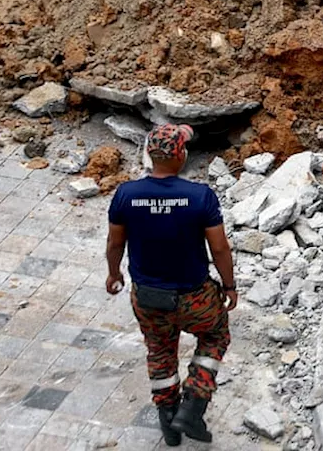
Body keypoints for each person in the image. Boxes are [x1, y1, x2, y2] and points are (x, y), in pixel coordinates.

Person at [105, 124, 237, 446]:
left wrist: (114, 273)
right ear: (182, 157)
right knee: (215, 334)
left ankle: (168, 420)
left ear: (149, 154)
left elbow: (114, 243)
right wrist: (230, 285)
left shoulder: (126, 194)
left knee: (160, 351)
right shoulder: (200, 196)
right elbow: (219, 248)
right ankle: (193, 404)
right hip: (195, 297)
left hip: (149, 297)